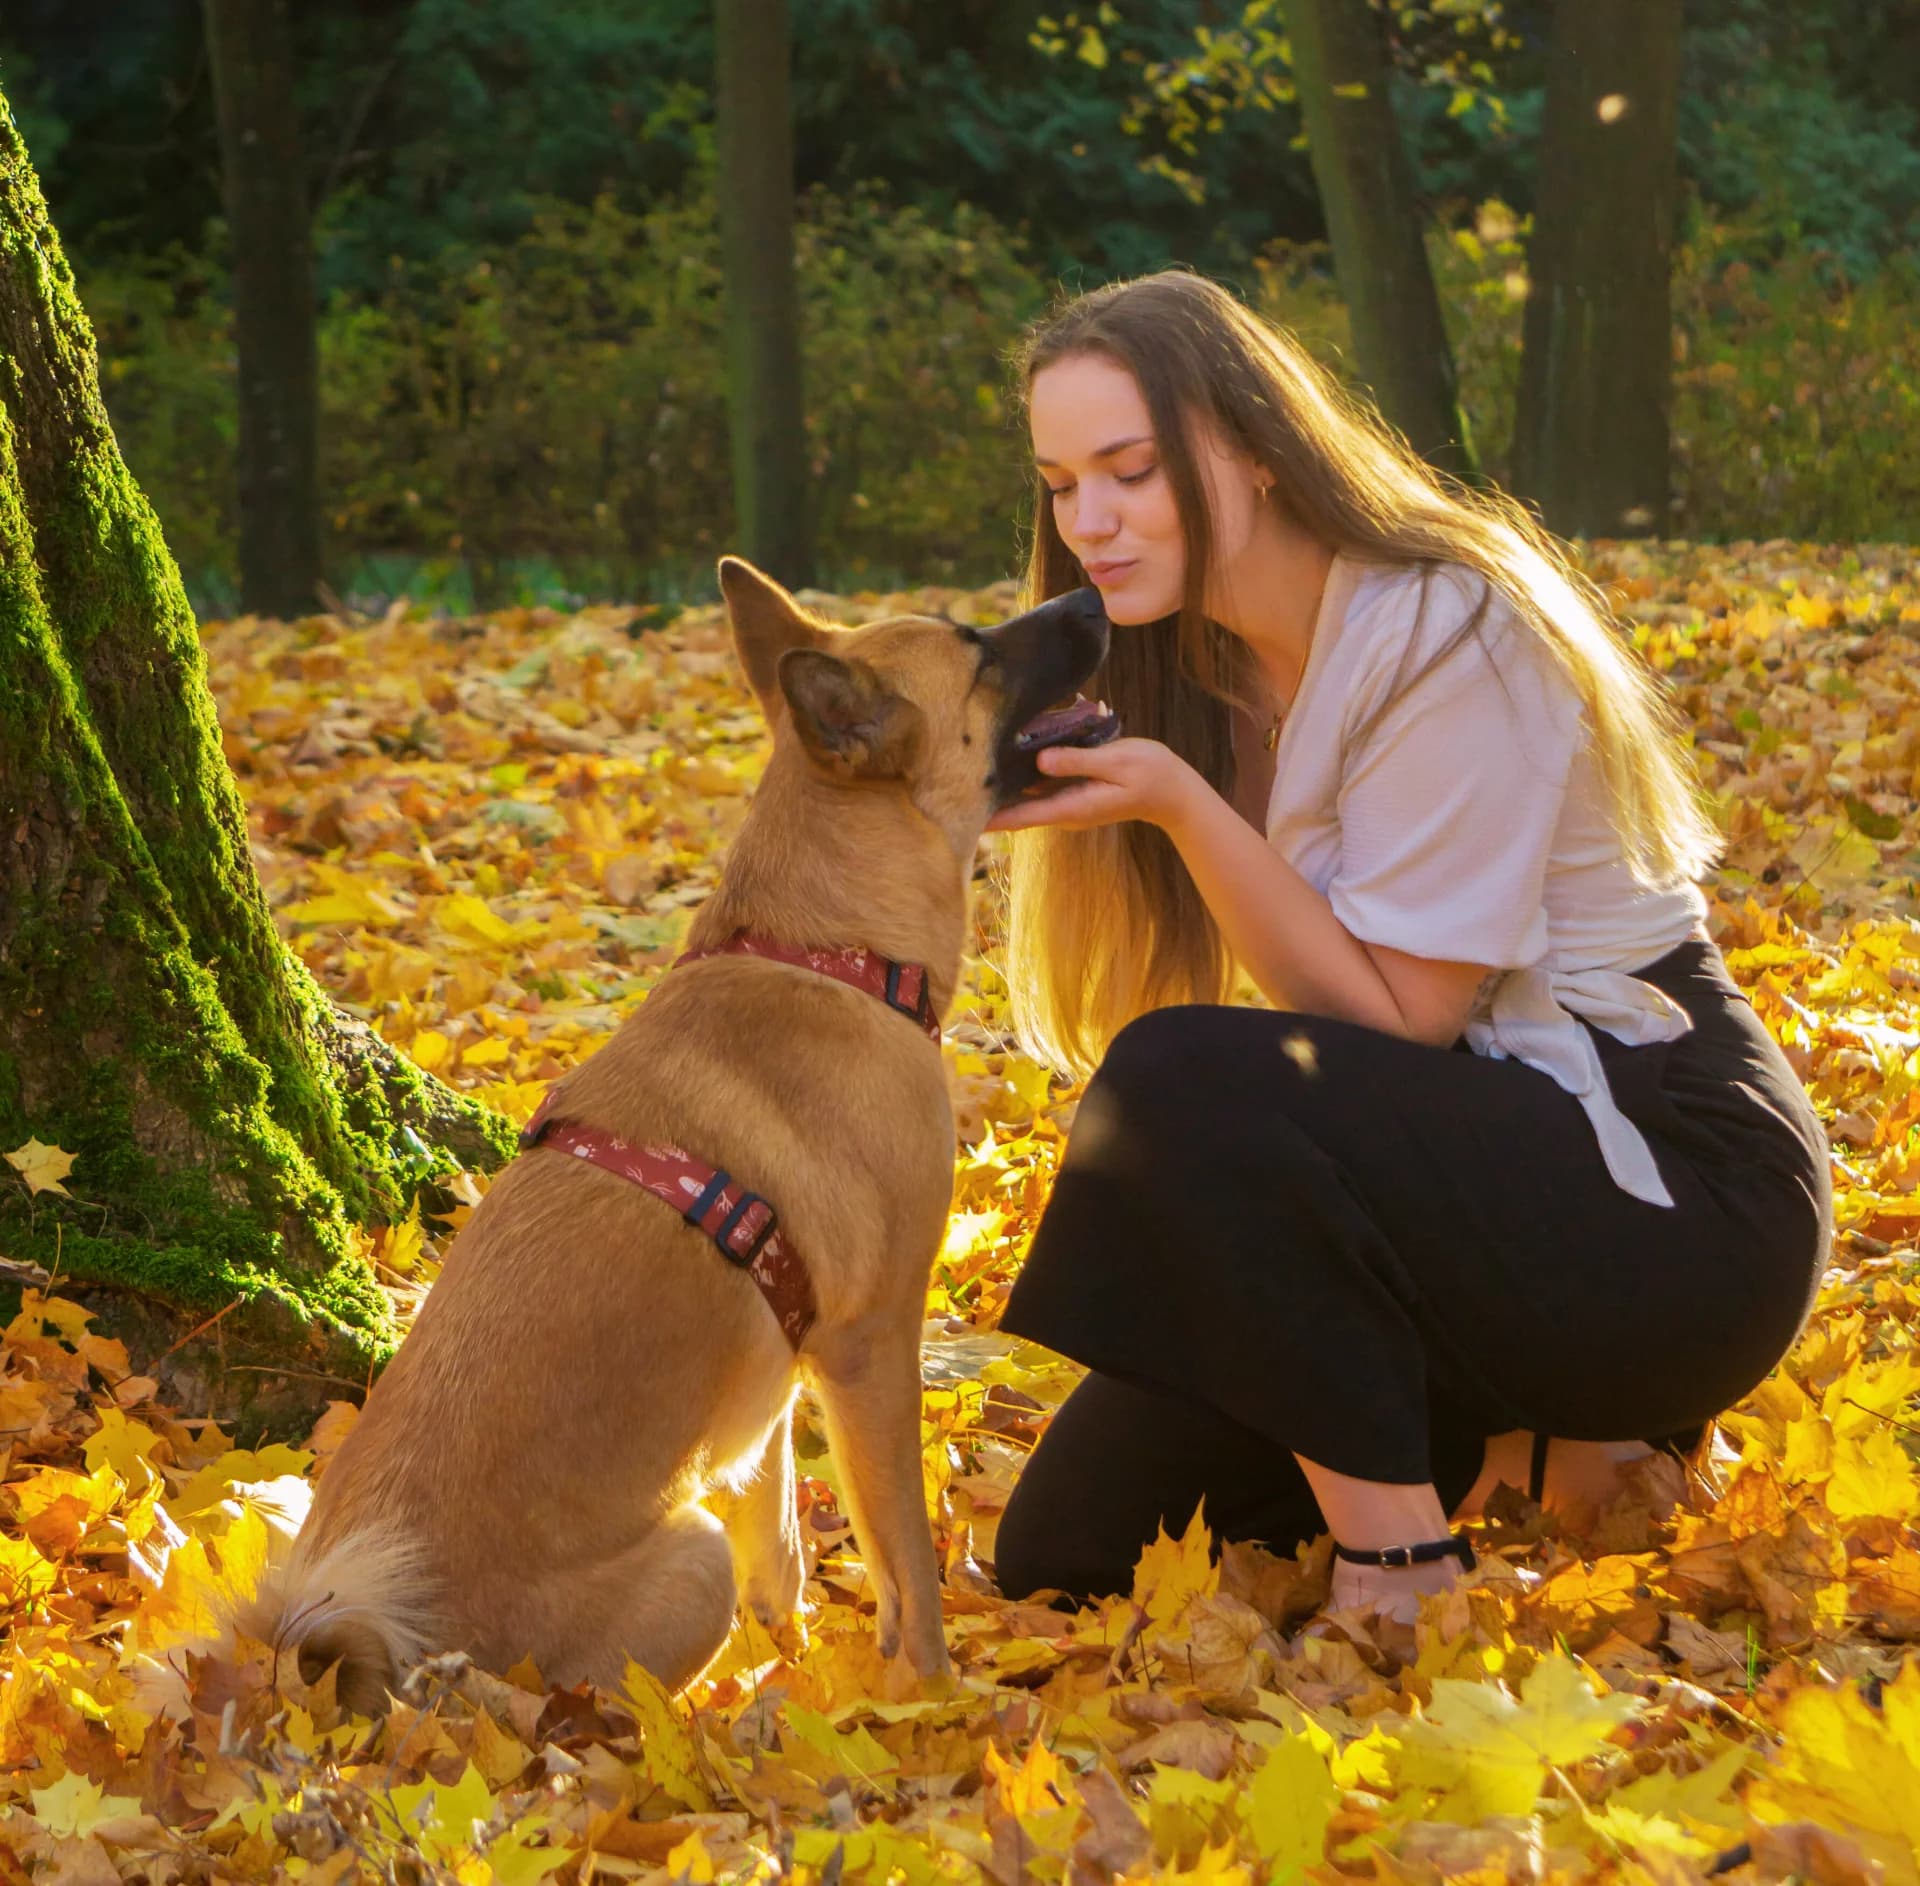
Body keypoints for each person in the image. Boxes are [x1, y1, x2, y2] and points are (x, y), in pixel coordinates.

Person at [981, 271, 1831, 1623]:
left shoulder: (1448, 626)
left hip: (1671, 1196)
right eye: (1061, 482)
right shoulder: (1192, 666)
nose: (1089, 522)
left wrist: (1186, 807)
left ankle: (1404, 1569)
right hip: (1460, 1185)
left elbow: (1395, 1029)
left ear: (1253, 445)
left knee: (1179, 1078)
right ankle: (1529, 1439)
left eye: (1130, 472)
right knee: (1070, 1547)